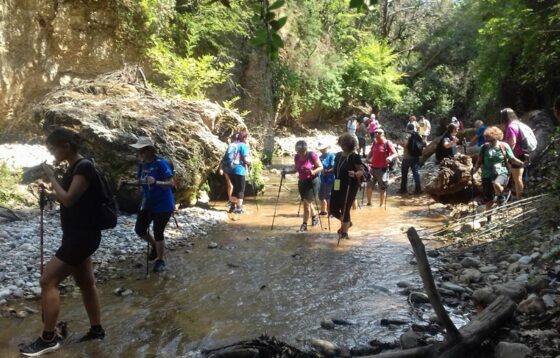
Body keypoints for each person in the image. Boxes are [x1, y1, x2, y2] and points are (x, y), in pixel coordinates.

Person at [20, 128, 105, 356]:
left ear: (66, 146)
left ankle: (48, 338)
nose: (52, 152)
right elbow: (69, 197)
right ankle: (97, 330)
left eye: (53, 148)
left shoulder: (84, 167)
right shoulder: (75, 168)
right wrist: (49, 193)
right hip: (79, 235)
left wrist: (50, 175)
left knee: (48, 280)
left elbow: (68, 199)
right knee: (86, 283)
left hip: (82, 236)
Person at [131, 136, 175, 273]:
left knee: (158, 231)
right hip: (148, 203)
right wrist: (127, 183)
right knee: (140, 229)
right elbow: (141, 181)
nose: (140, 153)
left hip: (163, 204)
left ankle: (160, 260)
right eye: (139, 150)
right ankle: (155, 246)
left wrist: (156, 182)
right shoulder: (142, 165)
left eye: (142, 150)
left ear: (150, 150)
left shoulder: (161, 163)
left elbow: (171, 183)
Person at [472, 126, 524, 222]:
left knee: (496, 184)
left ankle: (501, 197)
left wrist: (521, 163)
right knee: (489, 200)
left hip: (502, 172)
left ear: (497, 138)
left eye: (491, 140)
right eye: (487, 140)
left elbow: (512, 158)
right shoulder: (484, 148)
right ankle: (489, 219)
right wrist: (474, 171)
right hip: (486, 174)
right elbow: (479, 161)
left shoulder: (504, 146)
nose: (489, 142)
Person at [329, 133, 365, 239]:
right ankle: (347, 223)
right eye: (341, 143)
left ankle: (344, 233)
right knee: (333, 209)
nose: (342, 145)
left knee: (345, 208)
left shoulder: (355, 157)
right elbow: (337, 168)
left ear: (349, 145)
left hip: (350, 186)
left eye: (343, 144)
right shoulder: (338, 155)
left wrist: (354, 174)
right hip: (337, 184)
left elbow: (361, 171)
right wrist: (328, 171)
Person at [282, 140, 323, 232]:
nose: (300, 154)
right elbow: (296, 169)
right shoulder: (297, 157)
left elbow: (321, 167)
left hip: (312, 182)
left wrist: (313, 171)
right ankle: (315, 219)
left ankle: (304, 225)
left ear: (305, 149)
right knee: (307, 202)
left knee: (306, 203)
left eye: (302, 152)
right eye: (298, 152)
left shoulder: (311, 155)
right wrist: (286, 172)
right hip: (302, 182)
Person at [366, 128, 398, 206]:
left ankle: (381, 205)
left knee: (382, 188)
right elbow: (371, 151)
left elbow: (395, 153)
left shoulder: (387, 143)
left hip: (382, 169)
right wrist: (367, 158)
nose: (377, 134)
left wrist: (390, 158)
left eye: (379, 133)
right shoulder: (374, 142)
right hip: (372, 168)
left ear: (383, 134)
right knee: (369, 186)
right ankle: (369, 203)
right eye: (376, 132)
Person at [501, 108, 526, 200]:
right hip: (522, 153)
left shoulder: (511, 127)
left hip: (516, 154)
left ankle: (520, 199)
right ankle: (518, 195)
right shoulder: (517, 124)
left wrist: (507, 155)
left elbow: (512, 142)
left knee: (517, 178)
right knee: (517, 178)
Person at [398, 123, 423, 194]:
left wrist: (400, 143)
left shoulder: (407, 135)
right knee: (416, 174)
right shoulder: (418, 135)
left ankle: (403, 189)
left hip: (407, 157)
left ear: (407, 128)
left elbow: (405, 144)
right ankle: (418, 189)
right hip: (416, 157)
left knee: (404, 173)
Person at [219, 133, 239, 208]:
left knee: (230, 184)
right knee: (235, 185)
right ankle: (234, 202)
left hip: (227, 167)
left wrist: (221, 168)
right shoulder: (238, 146)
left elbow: (223, 158)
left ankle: (231, 201)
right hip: (235, 167)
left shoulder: (229, 146)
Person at [317, 141, 335, 216]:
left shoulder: (331, 156)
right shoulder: (320, 157)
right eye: (320, 149)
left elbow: (334, 167)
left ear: (326, 148)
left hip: (330, 179)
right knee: (321, 195)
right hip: (321, 179)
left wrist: (327, 171)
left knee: (329, 195)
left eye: (323, 148)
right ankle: (323, 211)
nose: (321, 150)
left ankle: (330, 211)